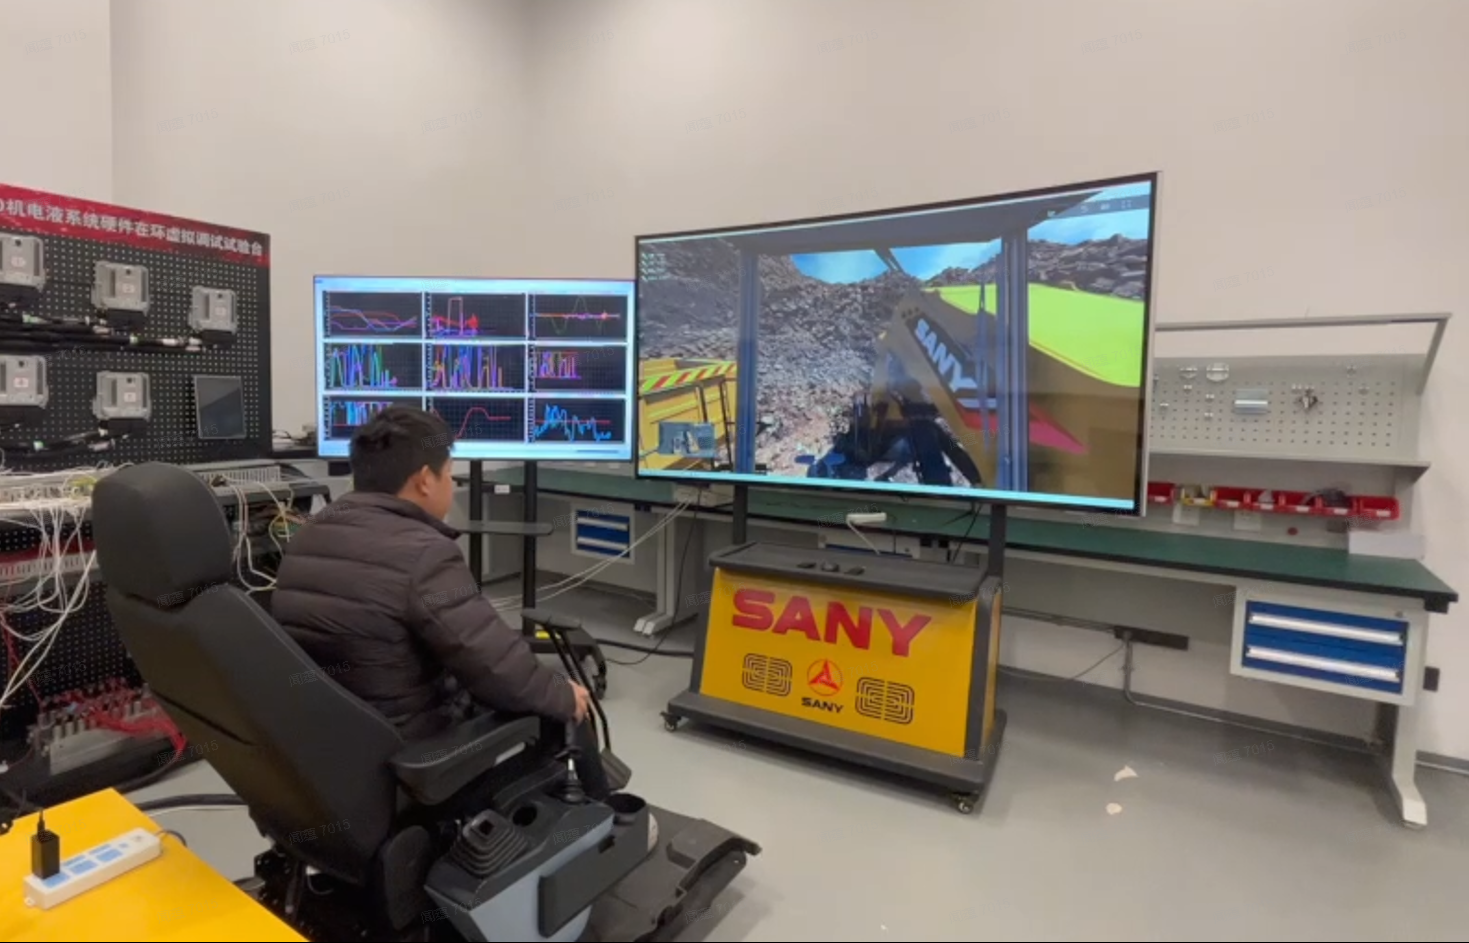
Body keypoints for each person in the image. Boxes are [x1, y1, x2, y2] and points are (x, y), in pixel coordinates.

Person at [272, 405, 611, 798]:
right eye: (449, 474)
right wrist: (563, 692)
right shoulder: (424, 553)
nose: (451, 484)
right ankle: (605, 818)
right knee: (565, 710)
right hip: (409, 760)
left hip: (329, 753)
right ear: (424, 481)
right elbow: (495, 665)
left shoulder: (308, 534)